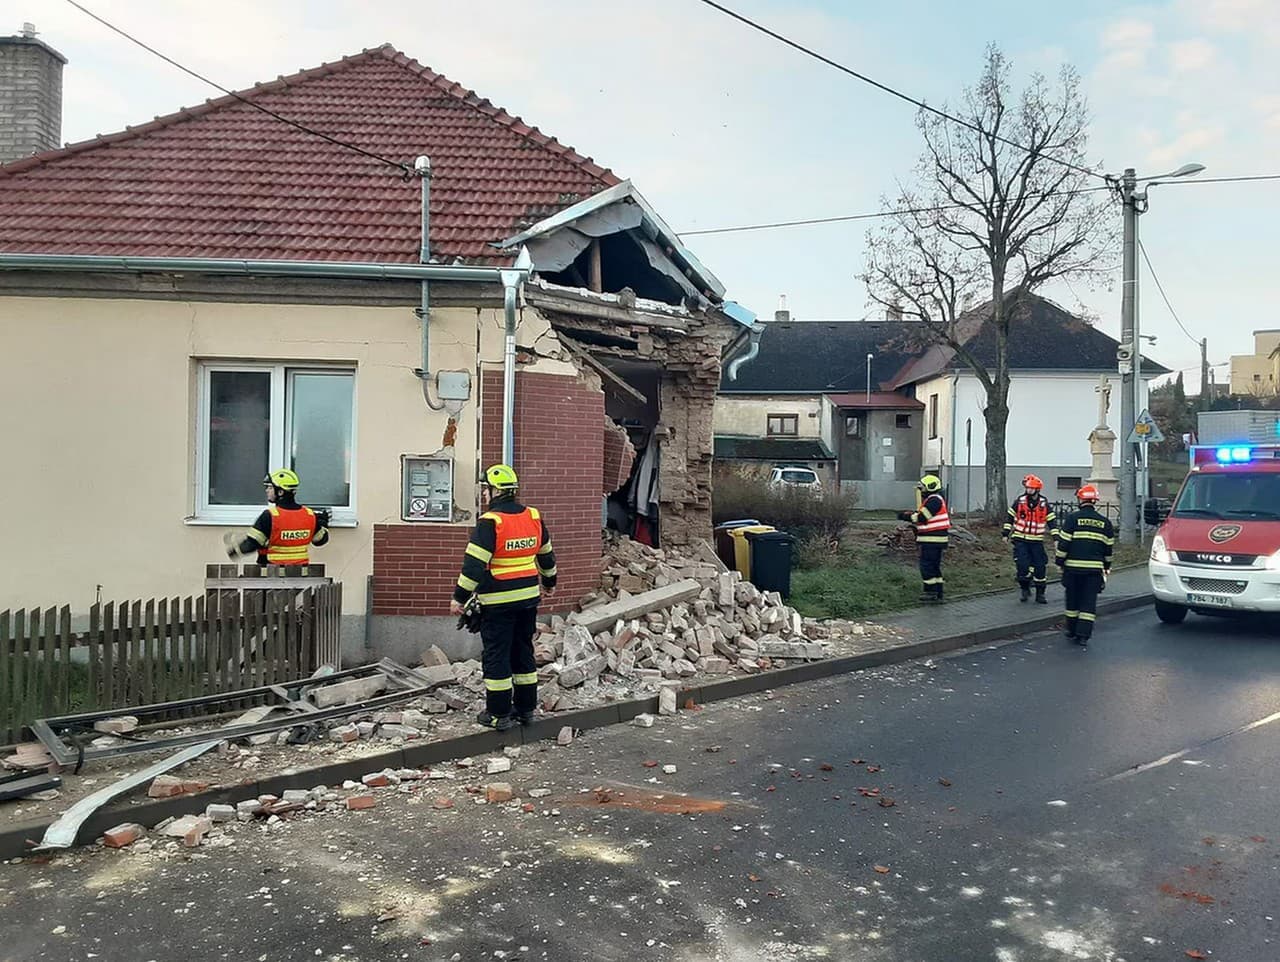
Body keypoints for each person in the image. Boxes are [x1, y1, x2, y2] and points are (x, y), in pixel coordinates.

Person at [450, 464, 557, 731]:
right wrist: (550, 583)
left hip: (497, 602)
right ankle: (526, 710)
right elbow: (546, 556)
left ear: (495, 491)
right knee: (523, 652)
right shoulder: (533, 516)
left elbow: (474, 566)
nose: (484, 494)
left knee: (497, 656)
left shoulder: (491, 522)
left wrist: (459, 598)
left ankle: (498, 715)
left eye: (485, 489)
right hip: (528, 599)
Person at [224, 469, 330, 566]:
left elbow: (251, 544)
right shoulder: (309, 515)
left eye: (270, 487)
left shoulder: (270, 516)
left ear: (280, 492)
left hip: (272, 574)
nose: (267, 491)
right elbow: (320, 541)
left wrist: (235, 551)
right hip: (301, 575)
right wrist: (322, 522)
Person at [1055, 484, 1115, 649]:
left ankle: (1072, 630)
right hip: (1094, 571)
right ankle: (1083, 635)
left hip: (1072, 569)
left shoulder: (1072, 519)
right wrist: (1107, 566)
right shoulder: (1105, 523)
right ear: (1094, 501)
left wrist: (1059, 562)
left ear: (1080, 499)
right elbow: (1108, 550)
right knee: (1089, 603)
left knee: (1072, 600)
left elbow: (1063, 544)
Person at [1002, 474, 1058, 604]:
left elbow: (1052, 522)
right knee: (1022, 567)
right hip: (1020, 540)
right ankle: (1025, 589)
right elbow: (1010, 517)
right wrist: (1005, 534)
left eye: (1031, 489)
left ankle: (1040, 594)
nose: (1028, 491)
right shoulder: (1020, 501)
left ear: (1037, 490)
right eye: (1027, 488)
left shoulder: (1044, 504)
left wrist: (1056, 538)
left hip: (1036, 542)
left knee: (1040, 568)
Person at [898, 474, 950, 602]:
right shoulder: (935, 499)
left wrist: (905, 516)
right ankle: (938, 592)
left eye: (923, 488)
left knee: (926, 566)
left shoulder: (934, 500)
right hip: (935, 540)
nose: (921, 490)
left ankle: (930, 592)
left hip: (931, 540)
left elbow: (922, 517)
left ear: (930, 488)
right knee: (934, 566)